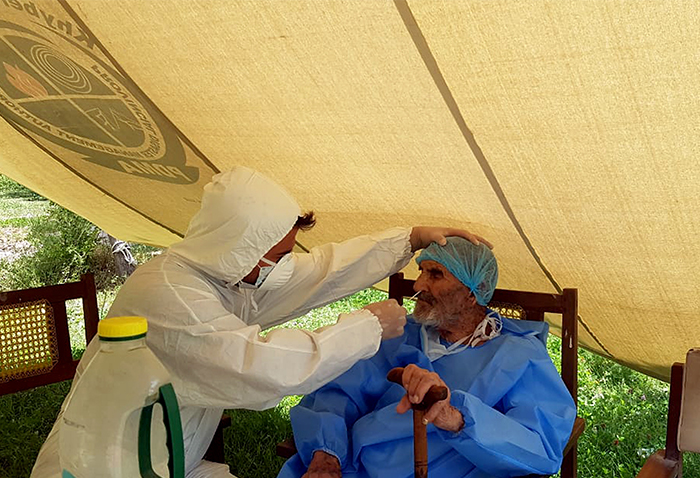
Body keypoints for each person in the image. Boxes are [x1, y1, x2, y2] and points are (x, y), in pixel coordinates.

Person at [31, 167, 489, 478]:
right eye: (279, 256)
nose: (286, 266)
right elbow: (259, 369)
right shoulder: (172, 296)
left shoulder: (222, 277)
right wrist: (366, 326)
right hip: (106, 465)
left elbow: (319, 273)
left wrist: (406, 240)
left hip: (170, 457)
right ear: (237, 246)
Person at [278, 237, 576, 478]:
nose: (418, 285)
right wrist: (326, 453)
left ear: (472, 294)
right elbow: (337, 394)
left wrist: (455, 418)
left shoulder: (518, 355)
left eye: (435, 275)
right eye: (421, 272)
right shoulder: (401, 334)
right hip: (353, 466)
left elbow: (540, 446)